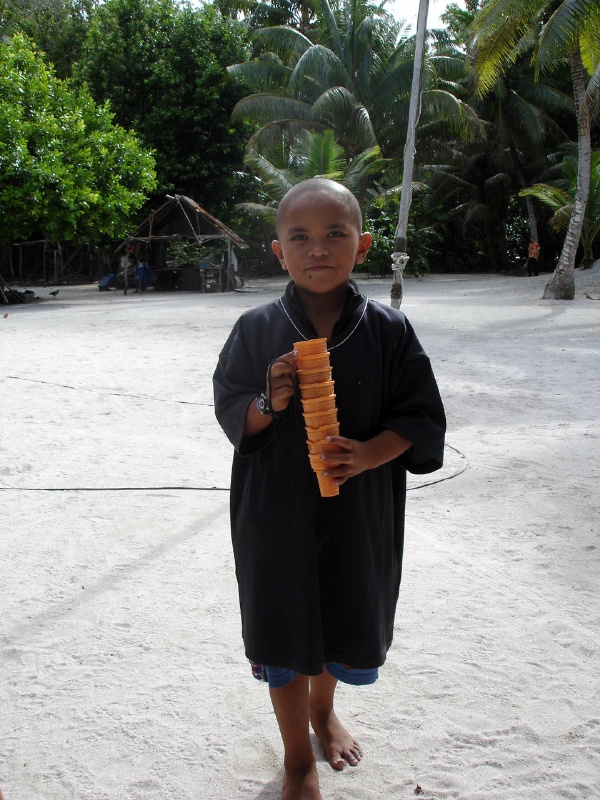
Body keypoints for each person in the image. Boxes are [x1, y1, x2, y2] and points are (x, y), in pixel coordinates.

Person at [213, 178, 446, 800]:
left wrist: (369, 453)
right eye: (301, 237)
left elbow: (421, 420)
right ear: (278, 252)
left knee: (341, 618)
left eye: (335, 234)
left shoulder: (390, 332)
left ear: (362, 245)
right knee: (284, 627)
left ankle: (324, 710)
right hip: (275, 514)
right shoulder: (256, 328)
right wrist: (269, 400)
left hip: (359, 515)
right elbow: (232, 411)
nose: (318, 249)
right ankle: (297, 759)